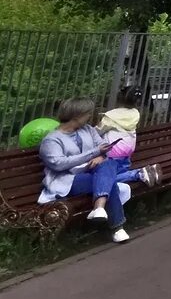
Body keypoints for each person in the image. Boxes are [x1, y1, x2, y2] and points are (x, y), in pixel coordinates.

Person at [37, 97, 160, 243]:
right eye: (87, 113)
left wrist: (101, 156)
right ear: (77, 115)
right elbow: (59, 164)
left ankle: (99, 209)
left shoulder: (88, 130)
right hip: (67, 180)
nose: (90, 116)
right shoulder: (52, 140)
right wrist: (93, 153)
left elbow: (103, 147)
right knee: (108, 183)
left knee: (108, 165)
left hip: (93, 172)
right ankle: (117, 228)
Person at [97, 85, 145, 170]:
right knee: (121, 172)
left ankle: (138, 174)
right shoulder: (135, 114)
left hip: (112, 153)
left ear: (119, 98)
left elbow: (98, 131)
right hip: (127, 152)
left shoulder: (111, 116)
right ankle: (138, 174)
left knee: (102, 175)